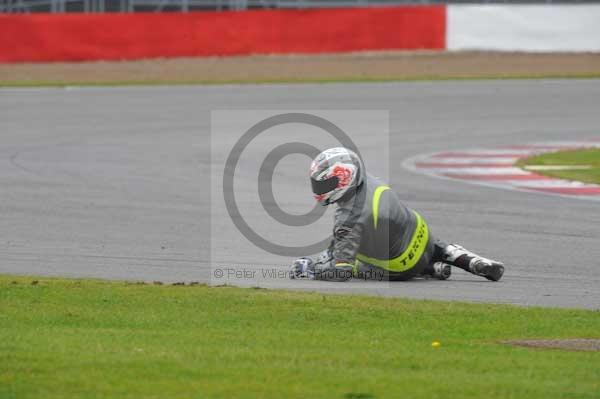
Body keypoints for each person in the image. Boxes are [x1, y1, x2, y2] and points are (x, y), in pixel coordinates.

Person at [290, 147, 505, 282]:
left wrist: (311, 271)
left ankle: (426, 269)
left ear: (345, 179)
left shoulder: (348, 219)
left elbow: (341, 272)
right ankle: (455, 259)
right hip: (422, 233)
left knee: (344, 259)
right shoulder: (370, 180)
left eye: (326, 183)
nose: (319, 190)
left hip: (402, 266)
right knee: (397, 232)